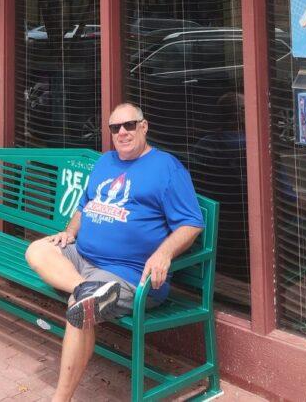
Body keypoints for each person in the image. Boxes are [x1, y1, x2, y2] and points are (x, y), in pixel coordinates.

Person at [24, 103, 204, 401]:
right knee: (37, 250)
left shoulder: (166, 167)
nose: (122, 132)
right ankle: (87, 289)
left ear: (144, 126)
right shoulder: (106, 162)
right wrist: (70, 232)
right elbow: (85, 206)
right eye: (115, 128)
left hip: (128, 273)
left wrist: (164, 253)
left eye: (129, 125)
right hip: (82, 259)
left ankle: (61, 398)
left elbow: (191, 222)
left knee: (81, 309)